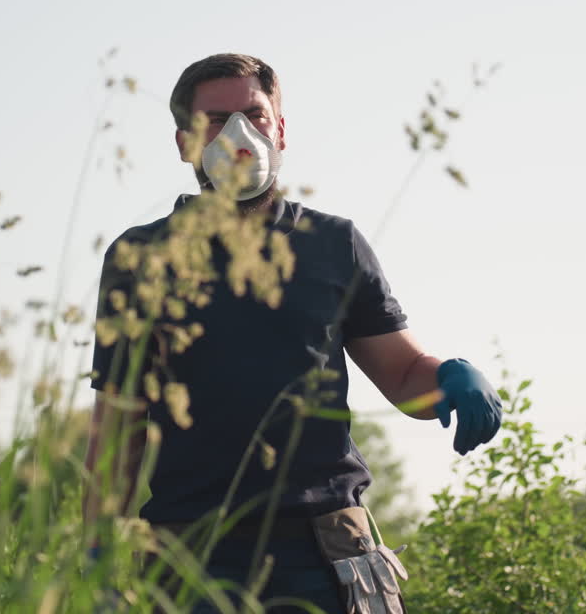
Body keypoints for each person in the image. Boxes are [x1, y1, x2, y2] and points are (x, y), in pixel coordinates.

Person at [84, 53, 502, 613]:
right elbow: (119, 423)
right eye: (215, 120)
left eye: (254, 115)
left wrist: (450, 376)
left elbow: (403, 374)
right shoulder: (142, 257)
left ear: (279, 129)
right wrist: (95, 547)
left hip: (327, 556)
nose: (238, 134)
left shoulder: (334, 244)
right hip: (190, 562)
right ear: (185, 142)